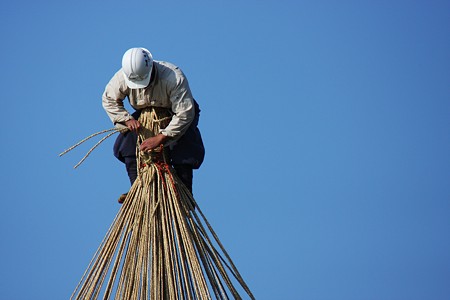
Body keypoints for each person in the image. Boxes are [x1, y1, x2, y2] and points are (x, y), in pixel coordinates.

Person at [102, 47, 205, 203]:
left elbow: (184, 113)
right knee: (128, 143)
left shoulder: (173, 77)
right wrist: (126, 119)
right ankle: (137, 187)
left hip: (176, 112)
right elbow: (109, 99)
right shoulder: (122, 76)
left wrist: (162, 137)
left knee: (184, 146)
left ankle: (184, 192)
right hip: (144, 113)